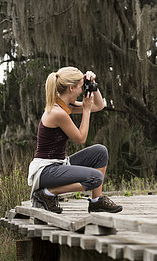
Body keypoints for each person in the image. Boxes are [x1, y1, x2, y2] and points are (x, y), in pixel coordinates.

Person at [27, 66, 122, 214]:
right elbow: (81, 138)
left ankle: (96, 201)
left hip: (58, 164)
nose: (82, 90)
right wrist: (86, 110)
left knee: (100, 152)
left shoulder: (64, 105)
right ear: (71, 88)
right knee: (95, 178)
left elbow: (99, 106)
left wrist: (93, 86)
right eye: (81, 86)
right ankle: (46, 194)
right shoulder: (57, 112)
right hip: (46, 171)